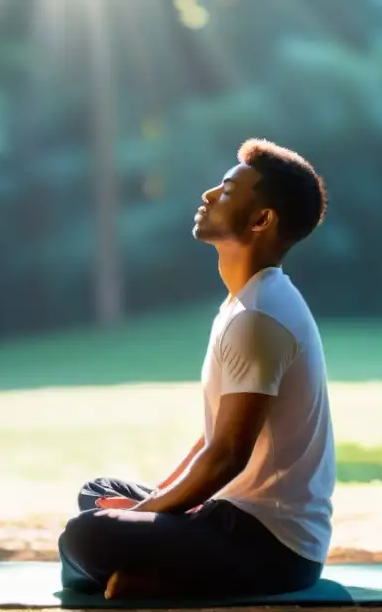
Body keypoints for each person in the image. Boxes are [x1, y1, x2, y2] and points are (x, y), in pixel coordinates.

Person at [58, 138, 336, 600]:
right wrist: (157, 509)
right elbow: (212, 441)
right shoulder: (243, 303)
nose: (208, 194)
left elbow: (228, 455)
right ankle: (149, 575)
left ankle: (153, 578)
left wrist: (149, 512)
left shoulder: (259, 316)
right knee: (98, 491)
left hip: (272, 546)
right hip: (227, 516)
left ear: (261, 219)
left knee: (84, 536)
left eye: (227, 190)